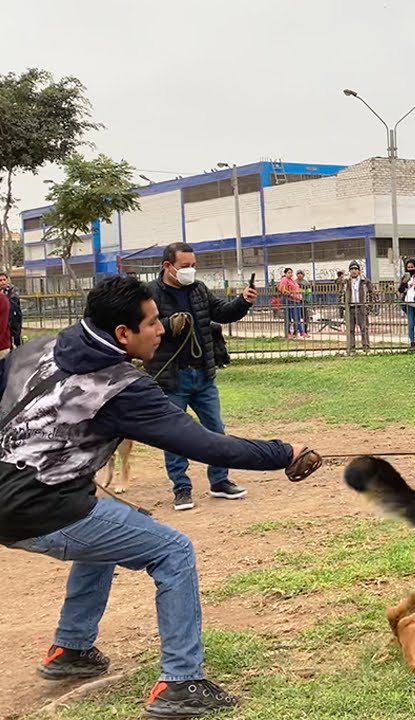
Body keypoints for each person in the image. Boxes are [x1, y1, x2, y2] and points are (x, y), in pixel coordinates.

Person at [0, 275, 303, 717]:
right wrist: (283, 453)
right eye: (153, 321)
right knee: (172, 550)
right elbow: (206, 445)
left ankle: (72, 650)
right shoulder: (121, 386)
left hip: (26, 499)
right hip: (39, 509)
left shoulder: (42, 348)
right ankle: (181, 683)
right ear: (123, 333)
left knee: (105, 531)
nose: (162, 329)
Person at [148, 242, 258, 511]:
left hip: (203, 375)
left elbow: (221, 312)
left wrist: (243, 302)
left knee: (216, 429)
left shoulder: (198, 290)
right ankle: (181, 488)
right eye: (185, 267)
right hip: (171, 378)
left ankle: (220, 481)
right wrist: (166, 325)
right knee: (174, 435)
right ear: (168, 266)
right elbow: (142, 330)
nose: (190, 271)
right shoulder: (149, 294)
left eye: (193, 266)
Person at [342, 261, 372, 350]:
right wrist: (343, 307)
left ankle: (366, 346)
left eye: (355, 269)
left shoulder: (365, 281)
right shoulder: (346, 282)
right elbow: (341, 293)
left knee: (364, 328)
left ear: (359, 270)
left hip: (361, 307)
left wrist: (369, 306)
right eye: (351, 269)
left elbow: (371, 293)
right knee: (350, 329)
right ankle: (351, 347)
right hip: (350, 308)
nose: (354, 271)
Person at [398, 259, 415, 347]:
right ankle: (412, 342)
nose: (410, 269)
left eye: (412, 267)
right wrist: (404, 282)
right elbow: (400, 290)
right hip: (408, 301)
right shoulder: (405, 277)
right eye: (408, 267)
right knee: (411, 323)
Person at [276, 268, 306, 339]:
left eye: (291, 272)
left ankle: (300, 332)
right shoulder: (284, 280)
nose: (290, 274)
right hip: (289, 300)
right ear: (285, 273)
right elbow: (282, 289)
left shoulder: (293, 281)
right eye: (289, 272)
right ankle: (289, 332)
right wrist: (291, 294)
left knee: (298, 317)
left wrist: (299, 296)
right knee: (289, 317)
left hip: (297, 300)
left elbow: (297, 289)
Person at [0, 272, 21, 348]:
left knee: (16, 338)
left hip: (14, 318)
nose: (2, 282)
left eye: (4, 280)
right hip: (4, 319)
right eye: (0, 280)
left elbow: (13, 301)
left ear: (7, 280)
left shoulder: (13, 290)